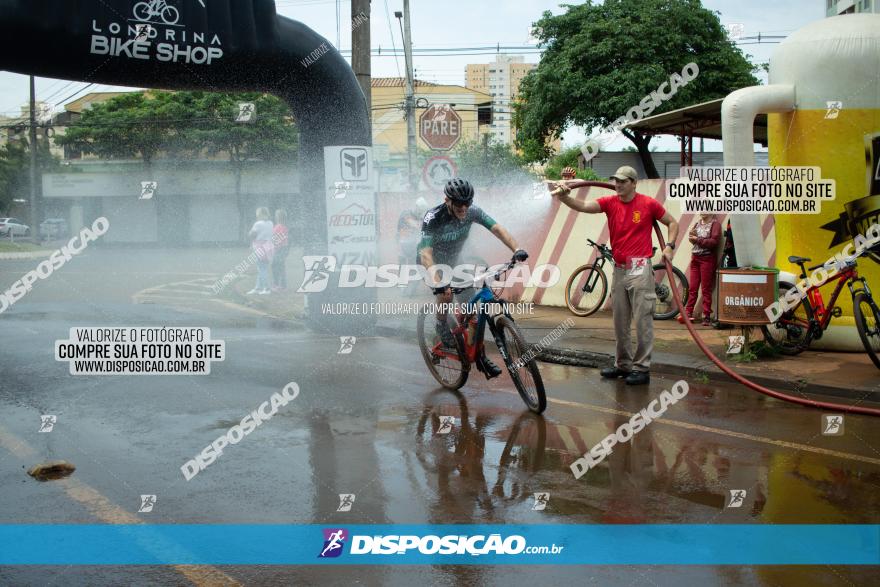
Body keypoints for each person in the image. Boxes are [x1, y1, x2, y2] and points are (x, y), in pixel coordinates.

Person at [549, 165, 679, 385]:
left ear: (633, 183)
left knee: (642, 320)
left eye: (623, 181)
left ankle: (642, 368)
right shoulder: (610, 203)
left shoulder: (647, 204)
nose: (618, 184)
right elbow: (582, 205)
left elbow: (672, 222)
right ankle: (623, 365)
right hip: (619, 267)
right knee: (620, 320)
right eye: (616, 180)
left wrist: (669, 246)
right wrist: (564, 198)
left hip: (639, 265)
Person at [418, 178, 528, 379]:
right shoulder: (433, 216)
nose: (463, 207)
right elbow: (425, 253)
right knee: (446, 294)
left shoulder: (472, 211)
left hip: (456, 262)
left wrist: (517, 249)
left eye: (467, 203)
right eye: (458, 203)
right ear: (447, 200)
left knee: (475, 317)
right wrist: (438, 281)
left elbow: (497, 228)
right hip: (432, 262)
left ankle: (479, 356)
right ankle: (441, 324)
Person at [680, 213, 721, 326]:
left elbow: (713, 242)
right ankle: (688, 313)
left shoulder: (715, 224)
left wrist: (697, 240)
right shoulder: (697, 223)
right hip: (695, 259)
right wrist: (692, 238)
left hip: (707, 259)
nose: (702, 210)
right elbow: (692, 239)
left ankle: (706, 315)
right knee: (693, 288)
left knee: (706, 289)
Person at [247, 207, 274, 295]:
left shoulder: (258, 224)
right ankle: (258, 288)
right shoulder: (271, 223)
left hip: (259, 247)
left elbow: (251, 234)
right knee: (264, 268)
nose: (257, 215)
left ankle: (266, 288)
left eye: (257, 213)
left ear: (260, 214)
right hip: (268, 246)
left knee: (261, 269)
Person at [271, 209, 290, 291]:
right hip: (281, 248)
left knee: (277, 266)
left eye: (277, 215)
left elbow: (279, 239)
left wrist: (275, 244)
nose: (276, 216)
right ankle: (280, 284)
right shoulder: (281, 226)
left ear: (279, 217)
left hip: (280, 249)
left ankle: (279, 284)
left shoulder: (281, 227)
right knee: (279, 266)